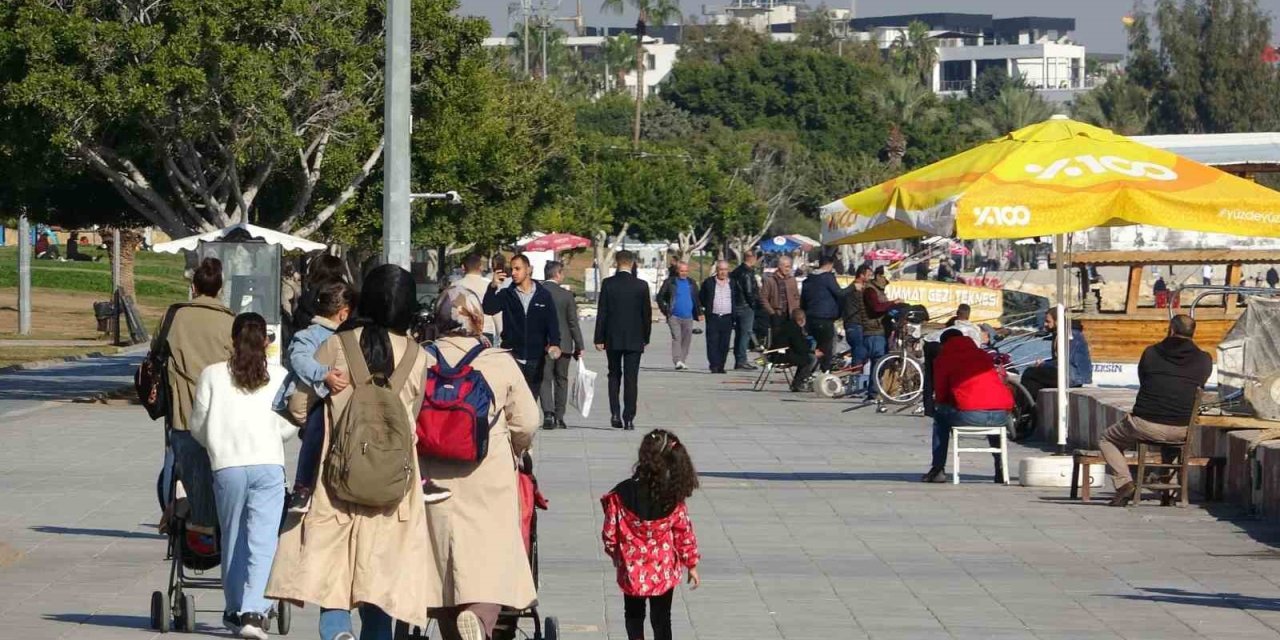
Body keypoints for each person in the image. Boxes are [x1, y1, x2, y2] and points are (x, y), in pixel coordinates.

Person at [266, 265, 433, 640]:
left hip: (336, 477)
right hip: (393, 485)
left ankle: (338, 631)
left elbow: (298, 406)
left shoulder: (337, 344)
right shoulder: (416, 356)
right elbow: (415, 413)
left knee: (333, 574)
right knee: (379, 577)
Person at [420, 287, 542, 640]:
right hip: (487, 475)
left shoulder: (420, 359)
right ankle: (479, 621)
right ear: (477, 321)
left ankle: (452, 629)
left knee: (440, 560)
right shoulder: (498, 361)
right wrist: (516, 451)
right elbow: (527, 420)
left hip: (433, 475)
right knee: (490, 558)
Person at [274, 280, 450, 513]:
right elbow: (298, 359)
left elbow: (299, 400)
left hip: (333, 430)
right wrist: (323, 374)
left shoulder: (334, 338)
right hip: (334, 405)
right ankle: (303, 485)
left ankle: (303, 488)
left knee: (316, 432)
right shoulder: (324, 337)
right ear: (345, 313)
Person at [189, 312, 296, 639]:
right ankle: (254, 609)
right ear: (266, 341)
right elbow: (290, 422)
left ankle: (235, 610)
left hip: (228, 464)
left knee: (233, 538)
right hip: (267, 462)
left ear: (232, 339)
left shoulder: (212, 375)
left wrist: (217, 444)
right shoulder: (280, 375)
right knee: (263, 540)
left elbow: (198, 425)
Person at [1099, 315, 1213, 507]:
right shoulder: (1204, 359)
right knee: (1170, 443)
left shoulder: (1151, 353)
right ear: (1193, 333)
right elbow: (1198, 385)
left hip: (1146, 423)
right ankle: (1167, 489)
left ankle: (1124, 483)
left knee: (1107, 439)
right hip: (1182, 429)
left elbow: (1145, 380)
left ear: (1171, 330)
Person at [601, 429, 701, 640]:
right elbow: (684, 533)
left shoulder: (621, 494)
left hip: (631, 568)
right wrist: (691, 564)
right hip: (662, 569)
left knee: (634, 615)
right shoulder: (672, 497)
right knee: (662, 617)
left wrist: (617, 555)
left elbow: (610, 534)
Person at [163, 258, 235, 533]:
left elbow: (158, 351)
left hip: (183, 410)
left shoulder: (175, 316)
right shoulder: (230, 321)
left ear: (193, 287)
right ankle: (218, 525)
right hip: (221, 413)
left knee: (187, 472)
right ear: (220, 288)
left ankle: (198, 521)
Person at [922, 328, 1013, 484]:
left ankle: (938, 469)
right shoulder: (983, 355)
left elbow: (941, 394)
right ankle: (1000, 467)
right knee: (989, 409)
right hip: (1001, 414)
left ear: (943, 345)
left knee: (940, 417)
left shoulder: (945, 358)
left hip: (971, 415)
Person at [482, 254, 561, 396]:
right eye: (512, 269)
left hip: (535, 357)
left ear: (529, 269)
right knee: (513, 399)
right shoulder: (507, 294)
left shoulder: (544, 295)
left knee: (531, 400)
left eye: (517, 269)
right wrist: (492, 286)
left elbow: (552, 322)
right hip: (512, 355)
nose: (513, 273)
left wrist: (555, 343)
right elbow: (488, 308)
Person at [595, 251, 652, 431]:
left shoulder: (608, 284)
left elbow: (602, 312)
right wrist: (646, 337)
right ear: (633, 263)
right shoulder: (641, 286)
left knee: (613, 375)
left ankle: (614, 413)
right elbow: (646, 315)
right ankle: (629, 417)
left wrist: (599, 338)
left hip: (613, 338)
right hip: (635, 339)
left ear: (616, 262)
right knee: (631, 378)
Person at [1018, 313, 1092, 424]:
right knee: (1034, 382)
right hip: (1069, 374)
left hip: (1072, 376)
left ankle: (1023, 414)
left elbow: (1066, 359)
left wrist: (1044, 364)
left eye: (1048, 321)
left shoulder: (1070, 335)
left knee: (1030, 372)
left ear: (1058, 321)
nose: (1045, 324)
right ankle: (1028, 416)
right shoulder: (1062, 334)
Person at [540, 261, 584, 430]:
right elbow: (573, 322)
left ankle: (548, 414)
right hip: (564, 344)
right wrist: (579, 345)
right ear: (557, 274)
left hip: (544, 344)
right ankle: (559, 417)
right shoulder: (566, 295)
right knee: (561, 380)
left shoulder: (538, 292)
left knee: (545, 379)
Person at [800, 253, 842, 372]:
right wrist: (853, 287)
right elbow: (839, 293)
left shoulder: (809, 279)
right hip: (825, 317)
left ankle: (808, 373)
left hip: (810, 317)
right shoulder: (827, 277)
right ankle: (825, 373)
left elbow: (803, 301)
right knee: (827, 348)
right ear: (830, 265)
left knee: (815, 347)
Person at [698, 260, 742, 374]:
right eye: (721, 270)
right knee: (712, 342)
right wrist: (704, 310)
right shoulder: (709, 282)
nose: (723, 272)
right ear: (717, 270)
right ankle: (714, 365)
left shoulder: (732, 283)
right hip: (713, 316)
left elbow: (736, 298)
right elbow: (701, 297)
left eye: (725, 270)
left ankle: (721, 365)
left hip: (727, 317)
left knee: (724, 343)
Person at [656, 262, 701, 371]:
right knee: (677, 337)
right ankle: (677, 360)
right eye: (682, 271)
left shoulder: (691, 283)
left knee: (687, 339)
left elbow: (696, 299)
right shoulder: (670, 282)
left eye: (686, 271)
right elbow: (660, 297)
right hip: (674, 315)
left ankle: (682, 360)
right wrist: (665, 310)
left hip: (688, 316)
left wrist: (699, 313)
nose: (684, 273)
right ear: (677, 271)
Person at [861, 267, 897, 401]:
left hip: (881, 330)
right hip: (873, 330)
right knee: (878, 361)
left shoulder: (878, 290)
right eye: (885, 279)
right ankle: (873, 392)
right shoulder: (870, 290)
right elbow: (876, 307)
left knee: (880, 363)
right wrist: (892, 303)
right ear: (878, 276)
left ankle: (875, 391)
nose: (887, 282)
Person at [457, 253, 502, 345]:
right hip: (486, 331)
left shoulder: (455, 286)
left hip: (463, 333)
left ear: (463, 267)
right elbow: (496, 314)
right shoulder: (490, 285)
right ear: (480, 267)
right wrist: (500, 336)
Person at [773, 309, 819, 393]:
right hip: (781, 355)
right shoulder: (795, 329)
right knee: (810, 359)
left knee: (805, 358)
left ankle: (799, 381)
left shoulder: (786, 325)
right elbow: (799, 347)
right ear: (802, 320)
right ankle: (798, 383)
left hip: (777, 353)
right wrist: (812, 351)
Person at [841, 265, 871, 393]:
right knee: (860, 354)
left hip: (852, 324)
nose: (870, 278)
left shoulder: (856, 288)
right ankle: (856, 385)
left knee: (859, 354)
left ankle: (856, 383)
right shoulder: (856, 289)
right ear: (862, 275)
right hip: (855, 324)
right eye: (868, 275)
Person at [760, 256, 800, 346]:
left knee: (790, 339)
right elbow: (763, 298)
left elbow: (796, 296)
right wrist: (772, 313)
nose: (788, 269)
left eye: (789, 266)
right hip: (777, 314)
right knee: (777, 340)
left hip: (790, 315)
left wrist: (796, 310)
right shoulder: (769, 280)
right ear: (779, 266)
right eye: (786, 266)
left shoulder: (792, 280)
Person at [730, 252, 761, 370]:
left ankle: (739, 359)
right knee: (745, 334)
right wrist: (754, 305)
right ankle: (742, 360)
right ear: (752, 258)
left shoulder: (736, 271)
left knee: (739, 334)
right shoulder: (747, 272)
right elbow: (749, 291)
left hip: (737, 305)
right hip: (745, 306)